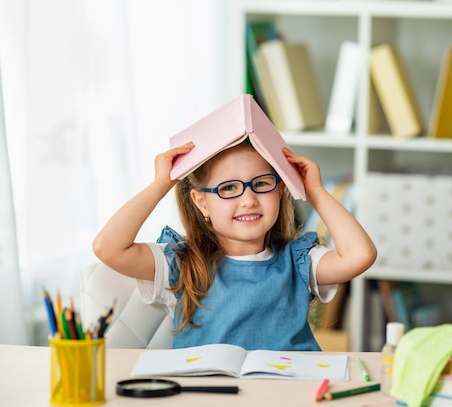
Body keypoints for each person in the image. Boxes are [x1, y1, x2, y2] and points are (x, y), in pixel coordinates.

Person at [93, 139, 376, 351]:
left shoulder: (299, 260)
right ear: (201, 202)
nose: (248, 199)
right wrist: (160, 184)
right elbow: (108, 247)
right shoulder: (181, 263)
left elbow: (360, 255)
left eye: (262, 184)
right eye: (228, 188)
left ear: (280, 190)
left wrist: (314, 191)